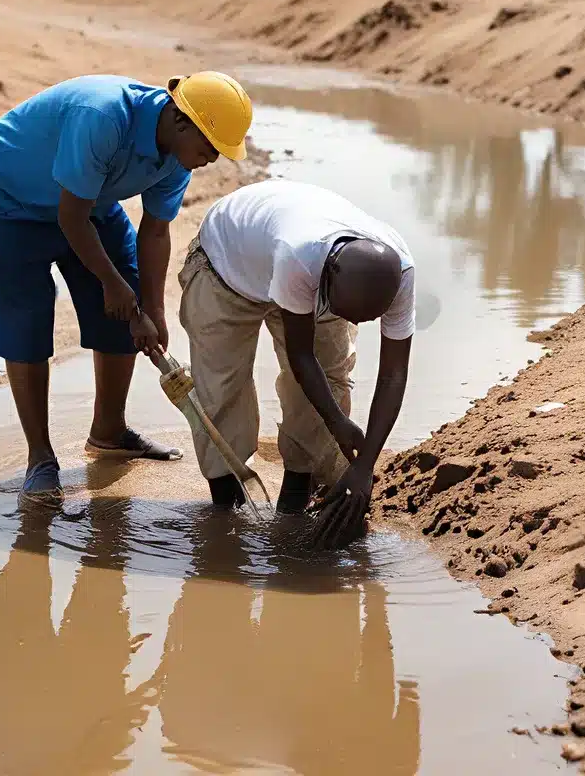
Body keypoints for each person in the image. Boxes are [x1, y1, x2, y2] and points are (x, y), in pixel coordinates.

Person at [0, 71, 253, 506]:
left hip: (85, 201)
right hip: (6, 198)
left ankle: (109, 433)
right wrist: (116, 288)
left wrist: (150, 308)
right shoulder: (102, 116)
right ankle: (40, 458)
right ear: (179, 119)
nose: (212, 158)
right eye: (210, 146)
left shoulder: (177, 157)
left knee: (128, 317)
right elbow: (70, 219)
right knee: (27, 328)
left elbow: (154, 232)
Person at [173, 179, 414, 531]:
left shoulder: (399, 274)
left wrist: (365, 466)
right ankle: (226, 507)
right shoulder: (300, 255)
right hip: (228, 264)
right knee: (221, 387)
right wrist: (338, 423)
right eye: (346, 312)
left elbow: (394, 374)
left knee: (330, 380)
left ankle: (295, 501)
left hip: (305, 271)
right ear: (327, 280)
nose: (354, 323)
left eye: (366, 319)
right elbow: (301, 356)